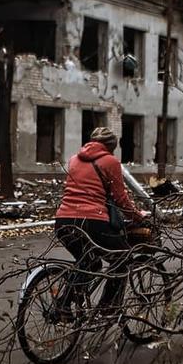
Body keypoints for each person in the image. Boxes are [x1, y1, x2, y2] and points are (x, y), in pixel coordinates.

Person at [54, 126, 147, 312]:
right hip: (92, 221)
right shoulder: (110, 161)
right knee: (123, 258)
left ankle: (65, 303)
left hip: (63, 220)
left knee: (89, 262)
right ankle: (107, 308)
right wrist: (138, 216)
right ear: (111, 147)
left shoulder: (73, 159)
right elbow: (121, 199)